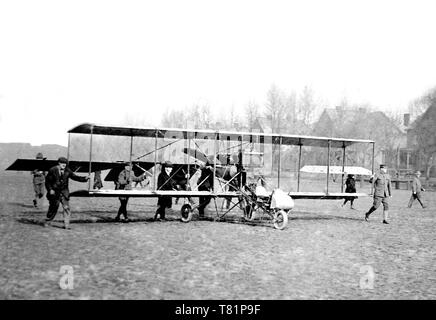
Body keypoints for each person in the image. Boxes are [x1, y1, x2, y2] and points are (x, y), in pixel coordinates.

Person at [45, 157, 89, 229]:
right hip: (55, 193)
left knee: (66, 208)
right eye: (62, 163)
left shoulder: (67, 170)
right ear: (59, 163)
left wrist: (84, 178)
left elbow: (75, 177)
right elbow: (47, 182)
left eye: (65, 164)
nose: (64, 165)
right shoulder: (52, 170)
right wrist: (50, 189)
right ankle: (48, 221)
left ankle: (66, 225)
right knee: (53, 208)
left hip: (64, 192)